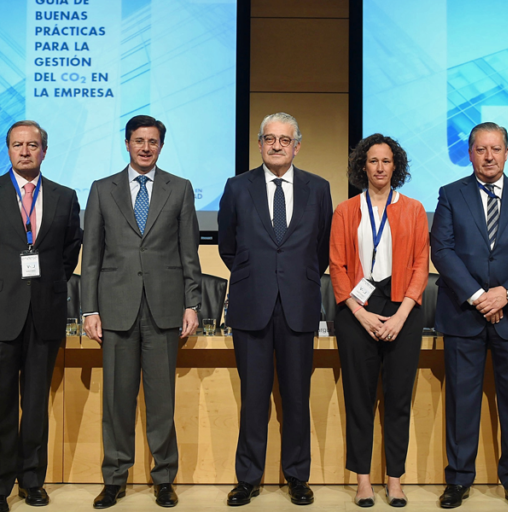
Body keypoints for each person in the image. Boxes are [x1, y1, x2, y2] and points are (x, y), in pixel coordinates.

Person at [0, 120, 83, 512]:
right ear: (8, 150)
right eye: (17, 145)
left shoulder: (64, 196)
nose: (25, 151)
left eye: (32, 145)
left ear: (44, 151)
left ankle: (32, 481)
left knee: (35, 404)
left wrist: (45, 288)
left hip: (44, 313)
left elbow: (69, 252)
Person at [82, 115, 202, 509]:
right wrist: (90, 309)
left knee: (161, 401)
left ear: (161, 146)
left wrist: (192, 302)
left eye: (152, 141)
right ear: (127, 143)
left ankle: (164, 478)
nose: (145, 147)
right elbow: (93, 257)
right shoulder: (102, 190)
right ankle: (114, 478)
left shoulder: (180, 189)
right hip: (115, 309)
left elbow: (189, 254)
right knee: (116, 401)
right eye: (139, 140)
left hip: (165, 309)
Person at [430, 122, 508, 511]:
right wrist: (481, 297)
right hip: (465, 315)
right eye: (481, 149)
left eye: (496, 149)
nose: (489, 156)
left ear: (507, 152)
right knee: (462, 404)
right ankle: (458, 480)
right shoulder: (451, 194)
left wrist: (506, 294)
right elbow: (442, 251)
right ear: (471, 153)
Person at [218, 112, 333, 506]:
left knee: (296, 397)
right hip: (252, 306)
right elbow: (228, 246)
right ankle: (248, 478)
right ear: (260, 143)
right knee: (253, 398)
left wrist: (292, 277)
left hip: (298, 306)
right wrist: (259, 277)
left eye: (285, 139)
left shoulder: (319, 188)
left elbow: (322, 249)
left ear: (297, 145)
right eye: (270, 139)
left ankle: (297, 476)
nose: (277, 145)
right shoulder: (237, 187)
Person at [329, 134, 429, 508]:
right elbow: (337, 267)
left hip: (402, 307)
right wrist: (359, 313)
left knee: (398, 400)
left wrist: (401, 314)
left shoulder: (414, 209)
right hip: (358, 309)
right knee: (359, 398)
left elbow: (421, 265)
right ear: (362, 166)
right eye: (373, 161)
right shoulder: (345, 210)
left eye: (387, 161)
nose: (380, 167)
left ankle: (395, 479)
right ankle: (363, 481)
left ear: (396, 166)